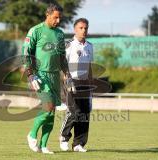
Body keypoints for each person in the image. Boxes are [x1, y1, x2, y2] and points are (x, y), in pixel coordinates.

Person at [22, 3, 74, 154]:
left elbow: (62, 57)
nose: (58, 21)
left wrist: (67, 74)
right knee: (48, 107)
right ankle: (32, 134)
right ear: (47, 15)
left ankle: (44, 146)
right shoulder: (36, 31)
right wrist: (31, 74)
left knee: (52, 113)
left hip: (54, 77)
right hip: (40, 76)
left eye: (60, 18)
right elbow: (26, 53)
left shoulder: (59, 33)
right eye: (55, 17)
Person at [59, 18, 93, 152]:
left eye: (86, 28)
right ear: (75, 29)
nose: (84, 30)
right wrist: (67, 80)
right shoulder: (68, 45)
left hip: (85, 83)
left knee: (84, 114)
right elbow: (62, 65)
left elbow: (89, 66)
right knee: (74, 112)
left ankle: (79, 144)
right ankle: (63, 136)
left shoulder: (90, 45)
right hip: (71, 81)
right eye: (81, 28)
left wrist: (91, 85)